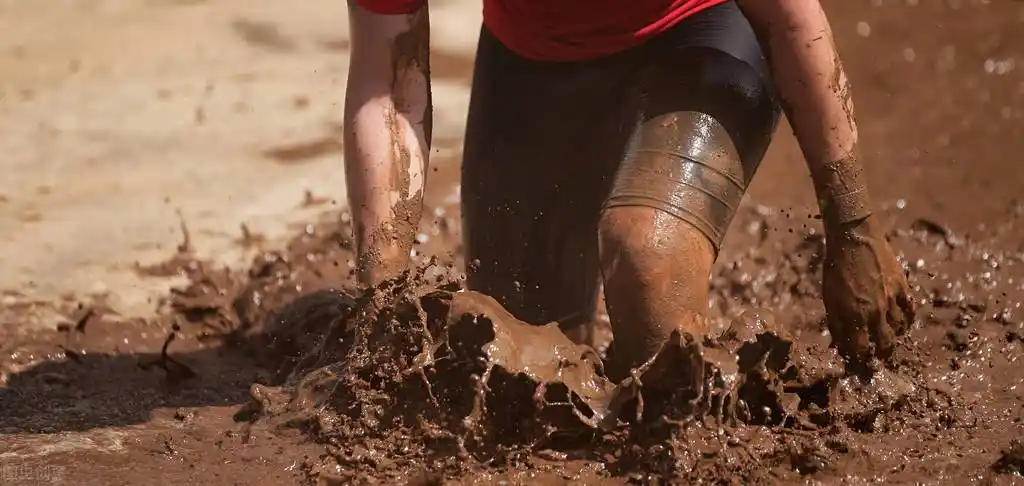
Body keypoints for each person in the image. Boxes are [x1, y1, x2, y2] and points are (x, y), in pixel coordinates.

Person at [342, 0, 916, 384]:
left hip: (702, 31)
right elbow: (390, 87)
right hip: (533, 59)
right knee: (513, 367)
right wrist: (380, 290)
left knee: (646, 259)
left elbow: (790, 20)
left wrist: (852, 228)